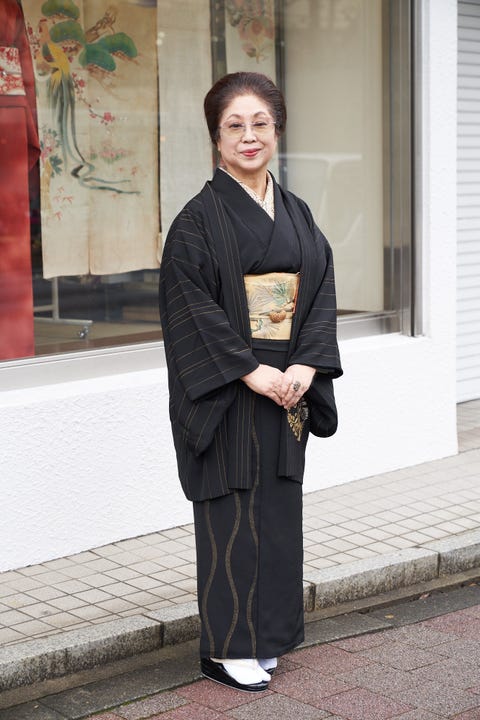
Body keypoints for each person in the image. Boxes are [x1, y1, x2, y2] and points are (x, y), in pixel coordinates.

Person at [159, 71, 342, 692]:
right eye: (234, 125)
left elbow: (318, 288)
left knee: (277, 513)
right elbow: (190, 309)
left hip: (288, 383)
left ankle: (266, 636)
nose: (248, 136)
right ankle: (225, 647)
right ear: (216, 139)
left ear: (277, 130)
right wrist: (252, 370)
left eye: (259, 123)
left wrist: (305, 366)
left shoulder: (297, 211)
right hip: (234, 388)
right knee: (232, 516)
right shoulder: (196, 222)